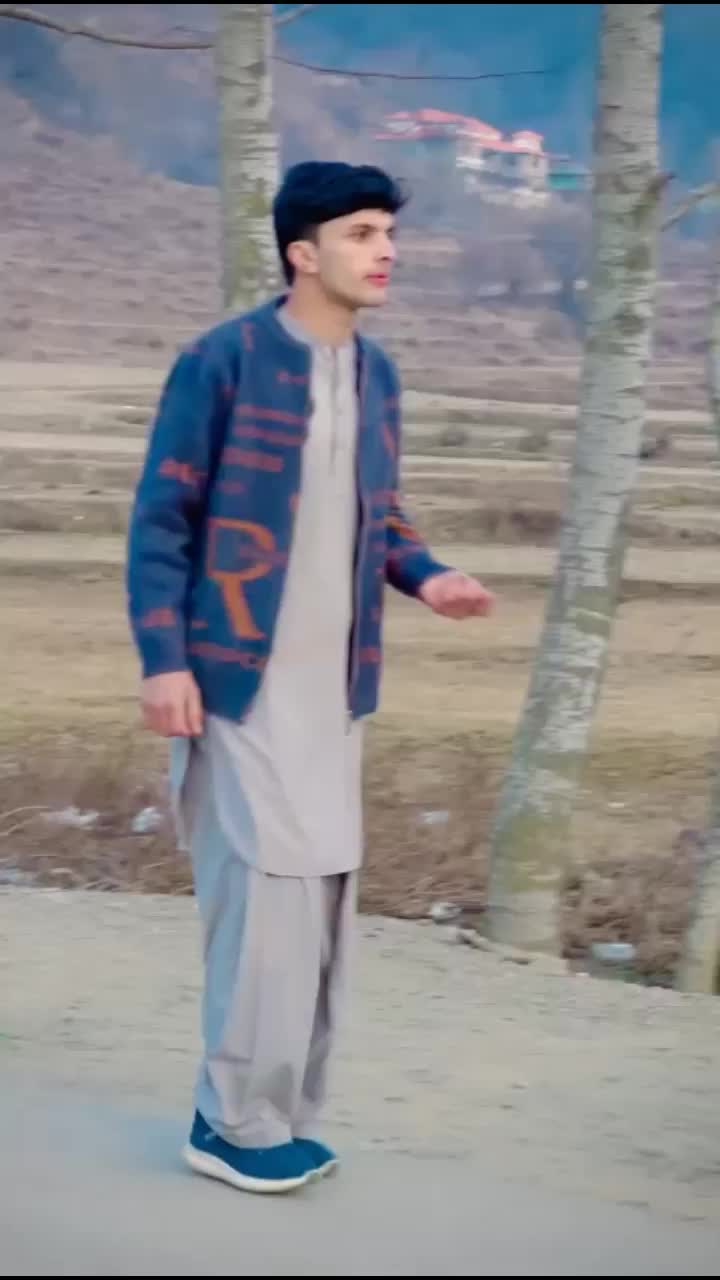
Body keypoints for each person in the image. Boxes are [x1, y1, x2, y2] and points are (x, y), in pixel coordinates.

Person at [126, 161, 494, 1196]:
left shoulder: (378, 376)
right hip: (234, 679)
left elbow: (384, 514)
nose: (387, 252)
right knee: (266, 901)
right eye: (363, 233)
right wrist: (164, 660)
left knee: (322, 898)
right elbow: (161, 519)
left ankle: (279, 1114)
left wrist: (431, 576)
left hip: (335, 689)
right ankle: (230, 1123)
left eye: (389, 234)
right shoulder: (224, 361)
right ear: (303, 251)